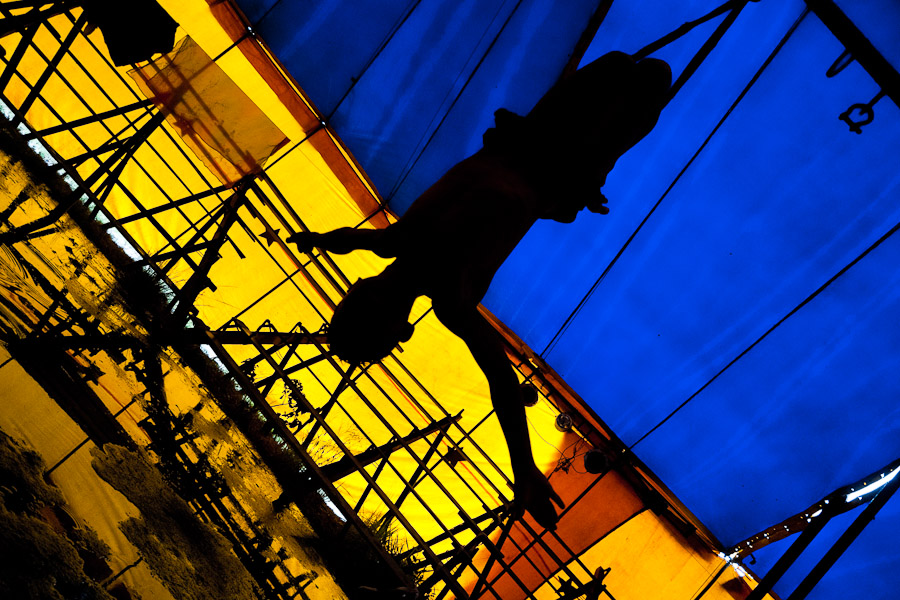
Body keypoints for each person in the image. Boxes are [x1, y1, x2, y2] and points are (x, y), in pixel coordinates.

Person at [288, 51, 671, 530]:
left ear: (400, 330)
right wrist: (318, 241)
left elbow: (502, 385)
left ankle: (622, 112)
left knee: (638, 77)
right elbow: (502, 386)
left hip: (553, 154)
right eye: (357, 298)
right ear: (367, 298)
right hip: (553, 153)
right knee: (636, 75)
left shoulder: (430, 274)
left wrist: (522, 468)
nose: (364, 288)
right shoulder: (426, 271)